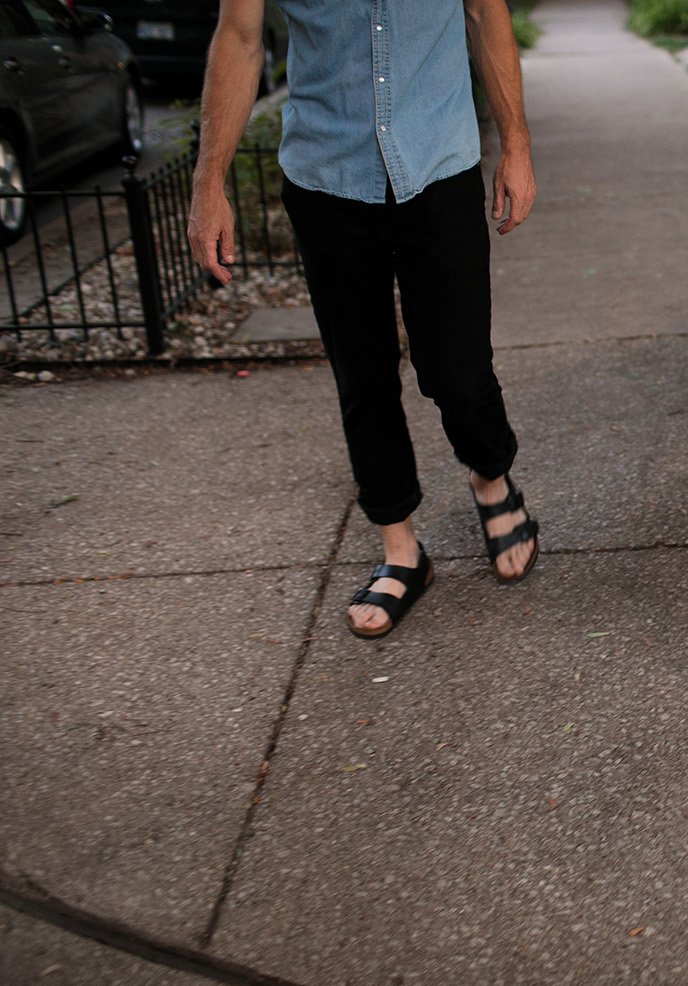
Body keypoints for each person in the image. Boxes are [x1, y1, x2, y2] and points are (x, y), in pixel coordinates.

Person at [188, 0, 540, 639]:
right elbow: (238, 38)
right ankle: (401, 549)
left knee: (458, 371)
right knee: (363, 375)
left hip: (440, 162)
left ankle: (491, 476)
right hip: (327, 177)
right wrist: (208, 183)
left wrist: (516, 143)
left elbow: (488, 13)